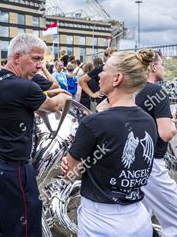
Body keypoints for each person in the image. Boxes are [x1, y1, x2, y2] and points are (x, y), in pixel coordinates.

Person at [0, 34, 71, 236]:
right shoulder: (24, 87)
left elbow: (17, 106)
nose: (40, 65)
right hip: (14, 168)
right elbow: (53, 105)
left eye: (42, 60)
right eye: (36, 59)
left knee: (0, 222)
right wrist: (64, 95)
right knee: (25, 226)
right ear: (17, 57)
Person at [61, 50, 158, 236]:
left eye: (104, 70)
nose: (99, 76)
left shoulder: (93, 123)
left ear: (117, 78)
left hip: (101, 221)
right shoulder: (148, 121)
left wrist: (75, 161)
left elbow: (69, 174)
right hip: (139, 216)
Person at [135, 51, 177, 236]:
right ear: (153, 67)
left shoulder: (130, 89)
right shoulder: (157, 91)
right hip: (152, 164)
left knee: (141, 216)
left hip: (131, 162)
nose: (164, 68)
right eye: (162, 64)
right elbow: (166, 134)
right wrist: (172, 124)